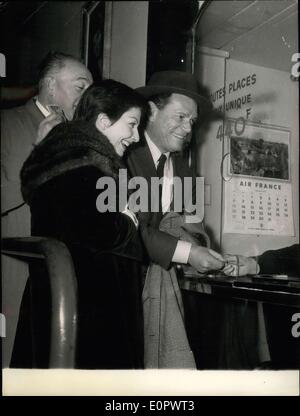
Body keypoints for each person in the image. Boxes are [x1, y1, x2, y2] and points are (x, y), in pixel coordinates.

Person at [10, 80, 149, 369]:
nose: (136, 137)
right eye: (132, 124)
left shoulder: (62, 158)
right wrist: (128, 218)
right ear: (102, 121)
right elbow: (104, 231)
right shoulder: (85, 165)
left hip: (66, 304)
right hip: (91, 314)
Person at [125, 71, 227, 368]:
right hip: (124, 293)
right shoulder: (122, 156)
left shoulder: (184, 170)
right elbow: (130, 232)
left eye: (192, 122)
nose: (188, 128)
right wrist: (189, 252)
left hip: (161, 297)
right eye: (181, 117)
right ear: (151, 111)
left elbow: (196, 227)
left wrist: (203, 249)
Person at [1, 52, 92, 367]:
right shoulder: (8, 123)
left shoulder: (77, 140)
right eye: (81, 86)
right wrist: (38, 150)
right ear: (51, 87)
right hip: (15, 275)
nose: (86, 97)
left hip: (61, 277)